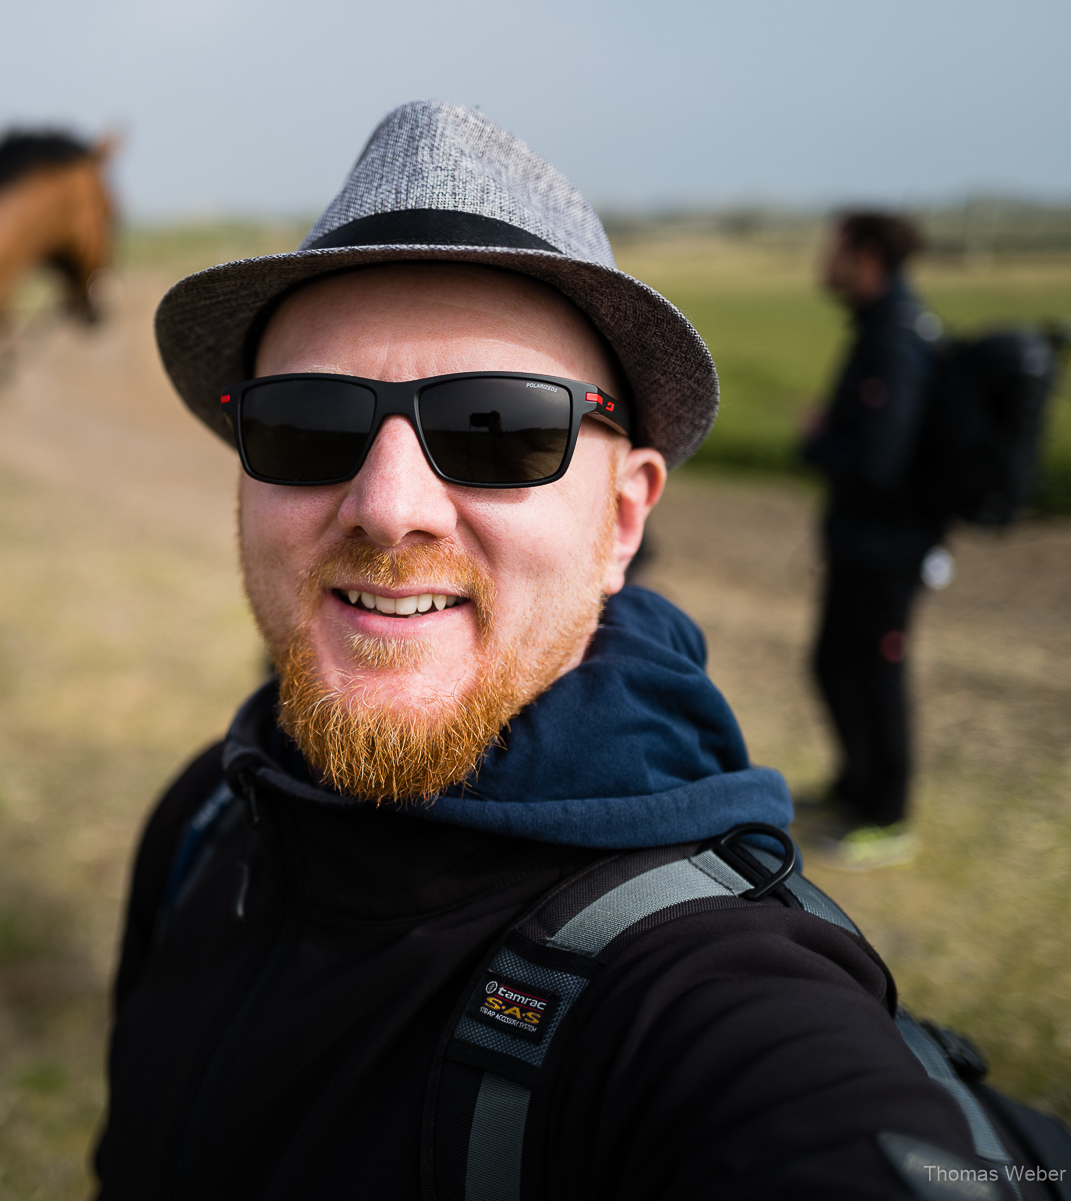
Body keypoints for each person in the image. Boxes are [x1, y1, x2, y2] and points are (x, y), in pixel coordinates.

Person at [94, 104, 990, 1198]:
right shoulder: (207, 822)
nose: (387, 506)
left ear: (623, 519)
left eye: (497, 427)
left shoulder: (697, 990)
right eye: (306, 424)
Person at [802, 213, 945, 869]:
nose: (823, 262)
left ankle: (888, 815)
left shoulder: (895, 339)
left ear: (864, 257)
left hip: (889, 547)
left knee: (876, 673)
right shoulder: (879, 330)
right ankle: (855, 785)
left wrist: (819, 438)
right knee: (836, 662)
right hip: (861, 541)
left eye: (833, 250)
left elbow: (879, 461)